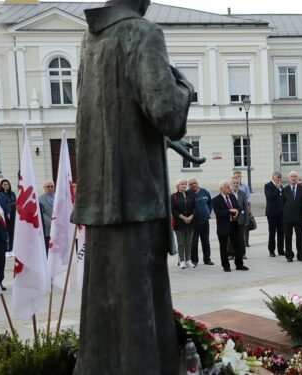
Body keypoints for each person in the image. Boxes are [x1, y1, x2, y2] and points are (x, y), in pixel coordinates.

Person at [71, 0, 195, 371]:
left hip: (99, 195)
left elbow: (112, 112)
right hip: (136, 194)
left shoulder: (91, 39)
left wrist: (166, 143)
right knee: (140, 303)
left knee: (105, 306)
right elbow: (167, 113)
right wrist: (185, 88)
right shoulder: (143, 32)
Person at [211, 180, 248, 272]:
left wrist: (237, 212)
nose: (230, 188)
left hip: (234, 225)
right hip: (223, 226)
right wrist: (230, 211)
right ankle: (226, 266)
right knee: (223, 247)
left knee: (237, 245)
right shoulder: (216, 200)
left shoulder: (232, 196)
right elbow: (218, 213)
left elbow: (238, 207)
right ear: (221, 189)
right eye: (227, 187)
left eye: (229, 186)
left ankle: (239, 264)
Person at [282, 171, 302, 262]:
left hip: (299, 217)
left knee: (300, 237)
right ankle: (289, 255)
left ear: (297, 178)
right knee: (288, 237)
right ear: (289, 178)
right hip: (287, 218)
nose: (293, 178)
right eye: (291, 176)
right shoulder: (285, 189)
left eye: (295, 176)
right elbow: (282, 203)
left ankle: (301, 255)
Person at [188, 178, 214, 266]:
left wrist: (209, 212)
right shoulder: (188, 193)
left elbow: (210, 203)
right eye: (191, 184)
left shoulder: (204, 191)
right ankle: (194, 260)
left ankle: (207, 259)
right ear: (189, 185)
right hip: (193, 222)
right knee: (194, 242)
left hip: (205, 221)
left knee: (206, 241)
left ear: (197, 183)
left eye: (194, 183)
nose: (193, 185)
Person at [170, 179, 195, 269]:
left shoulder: (190, 195)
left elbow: (195, 207)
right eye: (182, 184)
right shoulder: (173, 196)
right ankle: (181, 261)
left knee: (189, 242)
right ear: (178, 186)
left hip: (190, 222)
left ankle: (188, 260)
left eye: (185, 184)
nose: (184, 186)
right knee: (181, 243)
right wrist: (183, 217)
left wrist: (191, 217)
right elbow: (172, 210)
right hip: (179, 223)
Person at [228, 177, 250, 260]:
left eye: (237, 183)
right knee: (230, 238)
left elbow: (245, 207)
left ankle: (242, 253)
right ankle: (230, 253)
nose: (235, 184)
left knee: (241, 237)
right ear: (231, 183)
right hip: (231, 219)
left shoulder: (242, 193)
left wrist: (246, 220)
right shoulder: (228, 193)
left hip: (240, 219)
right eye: (234, 183)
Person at [264, 171, 284, 257]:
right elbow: (270, 197)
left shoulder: (281, 186)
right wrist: (277, 189)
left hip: (281, 213)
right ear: (273, 177)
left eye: (280, 178)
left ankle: (281, 250)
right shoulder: (268, 185)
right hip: (272, 213)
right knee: (272, 232)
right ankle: (271, 251)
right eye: (277, 178)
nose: (279, 179)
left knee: (281, 232)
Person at [232, 170, 252, 247]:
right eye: (236, 176)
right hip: (234, 211)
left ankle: (246, 241)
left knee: (245, 227)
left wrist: (249, 209)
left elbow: (248, 198)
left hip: (243, 209)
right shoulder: (230, 186)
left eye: (239, 176)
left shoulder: (245, 186)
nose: (237, 177)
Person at [0, 179, 17, 254]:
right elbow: (4, 205)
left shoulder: (12, 194)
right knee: (6, 232)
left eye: (7, 184)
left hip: (13, 215)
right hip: (5, 215)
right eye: (4, 185)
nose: (6, 186)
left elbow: (15, 203)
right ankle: (6, 248)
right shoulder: (0, 194)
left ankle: (12, 247)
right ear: (1, 186)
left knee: (13, 231)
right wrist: (8, 212)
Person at [39, 180, 55, 253]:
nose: (50, 188)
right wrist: (52, 223)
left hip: (59, 229)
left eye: (52, 186)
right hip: (48, 229)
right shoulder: (40, 199)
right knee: (49, 250)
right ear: (44, 188)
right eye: (48, 186)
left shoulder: (59, 197)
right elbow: (42, 214)